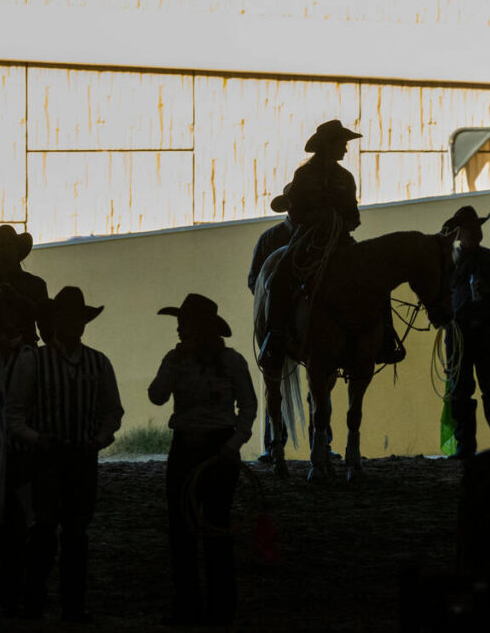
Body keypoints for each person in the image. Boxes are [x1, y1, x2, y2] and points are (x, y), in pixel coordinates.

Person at [6, 286, 123, 623]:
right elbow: (13, 414)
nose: (72, 324)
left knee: (71, 533)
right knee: (46, 531)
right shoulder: (35, 360)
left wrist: (97, 440)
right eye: (66, 317)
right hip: (48, 457)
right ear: (55, 320)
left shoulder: (96, 362)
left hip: (73, 456)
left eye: (76, 318)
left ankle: (58, 605)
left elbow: (111, 412)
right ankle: (44, 603)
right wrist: (39, 439)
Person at [149, 293, 257, 626]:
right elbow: (156, 396)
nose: (180, 331)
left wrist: (233, 444)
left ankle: (219, 609)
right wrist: (171, 364)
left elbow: (249, 408)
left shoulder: (232, 362)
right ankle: (189, 607)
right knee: (182, 530)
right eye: (180, 325)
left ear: (202, 329)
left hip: (218, 449)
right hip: (186, 445)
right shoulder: (175, 359)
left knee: (216, 527)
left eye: (185, 325)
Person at [257, 120, 363, 370]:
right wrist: (319, 219)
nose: (346, 149)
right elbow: (296, 214)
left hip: (340, 240)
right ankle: (274, 337)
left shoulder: (345, 178)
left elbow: (354, 216)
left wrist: (342, 221)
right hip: (308, 240)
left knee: (371, 273)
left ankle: (384, 337)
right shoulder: (304, 175)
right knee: (279, 278)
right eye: (342, 143)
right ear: (329, 145)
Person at [248, 214, 338, 463]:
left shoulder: (326, 234)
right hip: (284, 312)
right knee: (274, 380)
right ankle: (274, 442)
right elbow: (255, 280)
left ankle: (322, 440)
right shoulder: (270, 239)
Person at [441, 205, 490, 458]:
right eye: (471, 228)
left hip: (483, 331)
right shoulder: (449, 263)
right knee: (461, 392)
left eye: (477, 227)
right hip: (459, 333)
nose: (476, 232)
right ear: (461, 234)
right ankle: (466, 448)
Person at [0, 225, 50, 345]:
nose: (5, 251)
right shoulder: (35, 284)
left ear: (17, 250)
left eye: (9, 245)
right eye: (2, 246)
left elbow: (47, 328)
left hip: (21, 353)